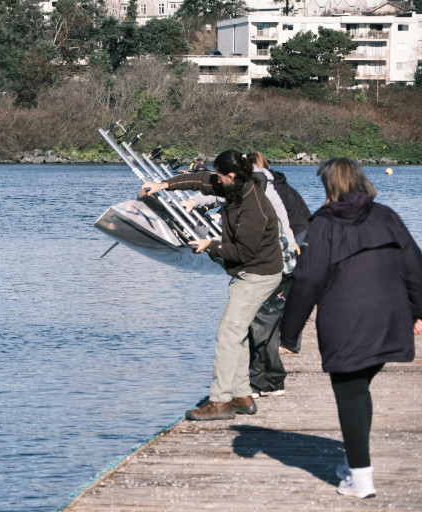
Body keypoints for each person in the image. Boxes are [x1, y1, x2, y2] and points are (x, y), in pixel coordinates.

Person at [280, 158, 422, 499]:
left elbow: (308, 279)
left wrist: (289, 333)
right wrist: (418, 312)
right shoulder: (386, 215)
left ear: (329, 186)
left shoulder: (324, 223)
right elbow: (414, 267)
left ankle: (360, 479)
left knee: (351, 392)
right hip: (389, 319)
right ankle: (354, 462)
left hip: (346, 322)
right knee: (359, 388)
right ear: (360, 179)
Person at [141, 150, 283, 421]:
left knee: (228, 335)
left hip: (258, 274)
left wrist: (211, 245)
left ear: (232, 175)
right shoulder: (235, 186)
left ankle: (220, 402)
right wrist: (163, 185)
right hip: (251, 272)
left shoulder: (254, 208)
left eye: (220, 176)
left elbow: (244, 252)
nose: (215, 180)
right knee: (236, 333)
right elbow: (200, 180)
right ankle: (242, 396)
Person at [245, 152, 312, 398]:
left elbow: (276, 221)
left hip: (300, 234)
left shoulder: (272, 187)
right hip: (297, 234)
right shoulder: (269, 182)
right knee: (283, 299)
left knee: (289, 293)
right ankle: (279, 358)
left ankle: (289, 345)